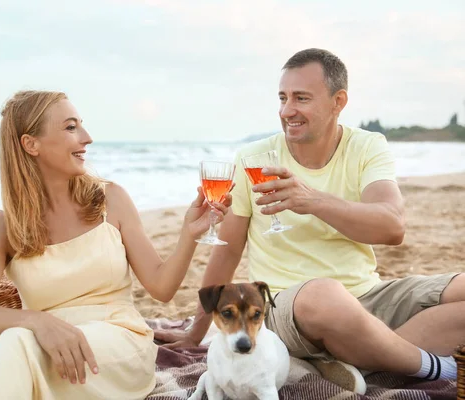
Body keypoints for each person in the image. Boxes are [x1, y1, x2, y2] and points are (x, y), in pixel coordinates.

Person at [155, 48, 464, 394]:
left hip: (367, 294)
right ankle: (431, 365)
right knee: (323, 294)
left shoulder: (367, 146)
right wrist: (196, 332)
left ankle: (354, 354)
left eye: (301, 98)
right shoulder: (252, 158)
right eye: (283, 98)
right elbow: (227, 252)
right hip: (288, 309)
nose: (287, 111)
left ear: (338, 101)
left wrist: (312, 200)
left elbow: (392, 227)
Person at [0, 90, 231, 400]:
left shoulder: (110, 199)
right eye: (71, 127)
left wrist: (189, 233)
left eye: (81, 126)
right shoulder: (0, 226)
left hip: (116, 340)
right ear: (31, 144)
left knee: (17, 341)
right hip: (46, 339)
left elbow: (162, 287)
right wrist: (38, 321)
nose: (87, 138)